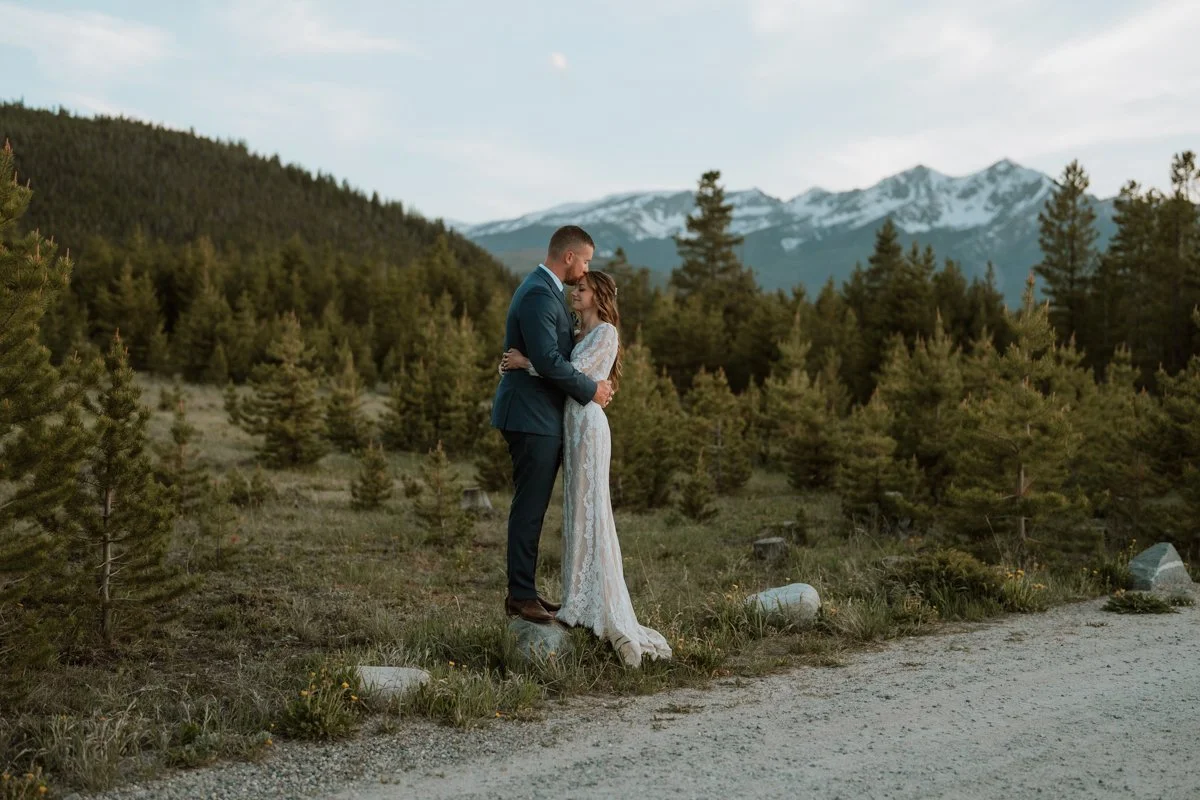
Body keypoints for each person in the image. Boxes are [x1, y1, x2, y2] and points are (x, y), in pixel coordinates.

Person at [501, 269, 672, 668]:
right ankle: (577, 598)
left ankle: (600, 604)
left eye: (582, 288)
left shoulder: (606, 333)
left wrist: (527, 362)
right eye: (575, 287)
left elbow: (572, 376)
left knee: (592, 508)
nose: (575, 292)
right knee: (577, 511)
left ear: (598, 295)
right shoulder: (578, 333)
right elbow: (565, 368)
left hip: (589, 429)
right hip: (570, 427)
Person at [490, 225, 614, 625]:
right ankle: (520, 596)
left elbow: (548, 355)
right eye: (586, 260)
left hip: (541, 415)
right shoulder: (540, 294)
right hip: (531, 417)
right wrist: (591, 390)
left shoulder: (546, 292)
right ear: (569, 258)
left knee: (535, 505)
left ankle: (525, 591)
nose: (586, 269)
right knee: (529, 506)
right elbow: (548, 360)